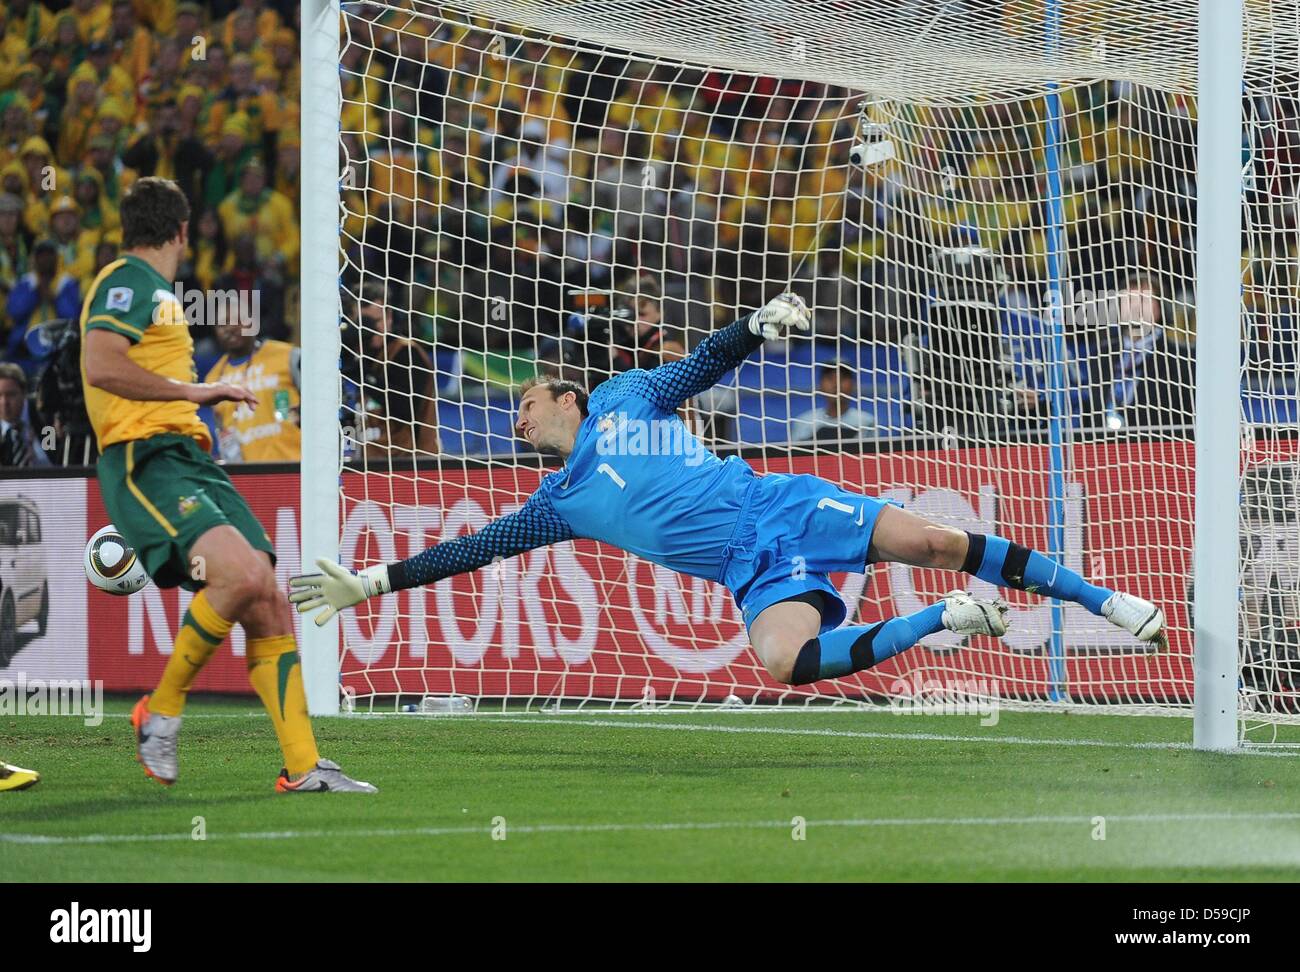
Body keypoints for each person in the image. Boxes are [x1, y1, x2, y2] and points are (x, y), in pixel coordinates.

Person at [292, 294, 1165, 688]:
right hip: (750, 572)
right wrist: (374, 583)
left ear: (567, 398)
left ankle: (1107, 600)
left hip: (774, 506)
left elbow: (704, 363)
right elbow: (468, 550)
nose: (514, 422)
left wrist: (752, 327)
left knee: (938, 543)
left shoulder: (629, 395)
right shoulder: (557, 502)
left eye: (523, 404)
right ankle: (943, 620)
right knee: (785, 664)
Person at [80, 177, 373, 792]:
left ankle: (303, 767)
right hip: (145, 457)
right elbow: (100, 364)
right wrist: (196, 391)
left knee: (266, 592)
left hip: (189, 457)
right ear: (182, 231)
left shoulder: (155, 291)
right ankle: (159, 711)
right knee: (240, 576)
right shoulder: (129, 280)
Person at [205, 304, 302, 462]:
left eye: (238, 320)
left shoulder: (288, 355)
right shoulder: (213, 379)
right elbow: (222, 431)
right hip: (248, 474)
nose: (230, 328)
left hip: (296, 464)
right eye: (222, 324)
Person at [790, 361, 878, 442]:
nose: (836, 384)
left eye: (842, 378)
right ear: (820, 385)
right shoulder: (803, 422)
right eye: (830, 378)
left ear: (853, 384)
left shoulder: (866, 422)